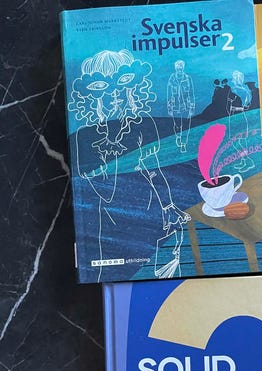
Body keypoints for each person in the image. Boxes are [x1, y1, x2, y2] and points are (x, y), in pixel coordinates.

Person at [69, 49, 190, 281]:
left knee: (160, 271)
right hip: (114, 221)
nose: (114, 92)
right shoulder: (85, 137)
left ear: (133, 86)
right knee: (119, 274)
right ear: (91, 93)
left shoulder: (144, 126)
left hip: (150, 211)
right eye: (101, 86)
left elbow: (155, 170)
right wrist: (114, 156)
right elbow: (104, 192)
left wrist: (168, 205)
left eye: (123, 81)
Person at [167, 60, 195, 153]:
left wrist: (192, 107)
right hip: (175, 106)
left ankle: (183, 144)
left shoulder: (188, 78)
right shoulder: (172, 79)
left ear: (183, 68)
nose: (179, 69)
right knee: (177, 125)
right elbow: (169, 93)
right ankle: (178, 136)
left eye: (181, 67)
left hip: (186, 106)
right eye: (178, 67)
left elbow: (191, 93)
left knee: (186, 126)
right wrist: (169, 107)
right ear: (175, 68)